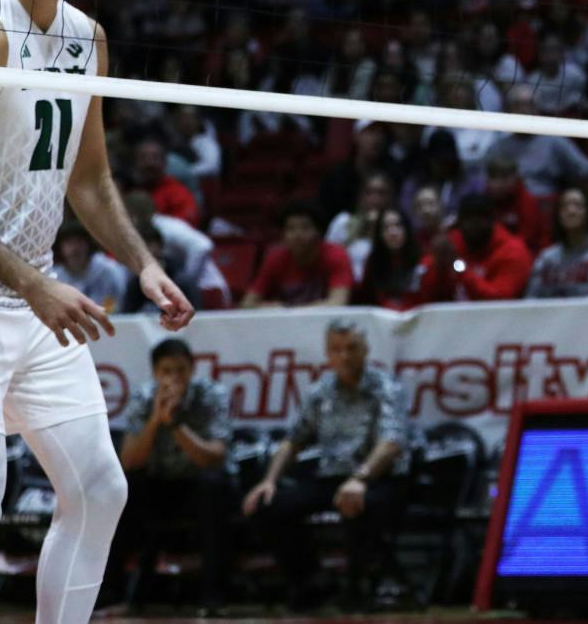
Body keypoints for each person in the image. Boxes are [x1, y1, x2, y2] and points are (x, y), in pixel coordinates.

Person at [0, 0, 194, 624]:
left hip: (31, 305)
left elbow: (91, 177)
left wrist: (144, 262)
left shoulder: (87, 36)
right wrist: (37, 283)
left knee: (101, 487)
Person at [242, 320, 413, 611]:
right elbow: (293, 441)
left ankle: (356, 587)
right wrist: (269, 480)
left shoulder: (386, 388)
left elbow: (391, 443)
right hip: (332, 475)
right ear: (327, 353)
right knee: (268, 505)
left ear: (365, 350)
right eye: (336, 349)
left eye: (351, 348)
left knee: (358, 503)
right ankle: (312, 580)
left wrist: (360, 478)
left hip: (380, 478)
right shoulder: (320, 391)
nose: (344, 356)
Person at [107, 338, 234, 614]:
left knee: (214, 487)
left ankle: (213, 596)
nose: (174, 377)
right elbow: (129, 460)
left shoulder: (212, 395)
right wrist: (155, 420)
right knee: (121, 489)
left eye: (181, 370)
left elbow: (214, 457)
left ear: (192, 369)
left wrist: (175, 424)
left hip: (199, 484)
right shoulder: (143, 397)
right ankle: (112, 594)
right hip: (158, 484)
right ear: (155, 373)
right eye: (167, 371)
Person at [417, 190, 531, 302]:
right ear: (459, 223)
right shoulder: (452, 241)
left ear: (492, 221)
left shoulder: (513, 251)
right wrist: (439, 267)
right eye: (467, 221)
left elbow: (499, 300)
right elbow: (424, 287)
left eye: (478, 220)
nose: (471, 227)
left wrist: (458, 267)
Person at [243, 201, 355, 307]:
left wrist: (290, 310)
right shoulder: (275, 259)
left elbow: (338, 303)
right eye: (291, 229)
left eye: (305, 228)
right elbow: (247, 304)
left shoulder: (336, 255)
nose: (297, 235)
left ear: (319, 233)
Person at [353, 205, 426, 310]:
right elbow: (366, 300)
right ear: (379, 234)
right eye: (386, 227)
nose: (393, 232)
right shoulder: (372, 262)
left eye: (398, 225)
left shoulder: (424, 261)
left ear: (407, 229)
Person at [51, 223, 127, 312]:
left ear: (88, 244)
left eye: (79, 241)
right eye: (69, 242)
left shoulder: (107, 270)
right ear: (60, 247)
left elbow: (116, 306)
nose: (74, 249)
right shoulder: (55, 275)